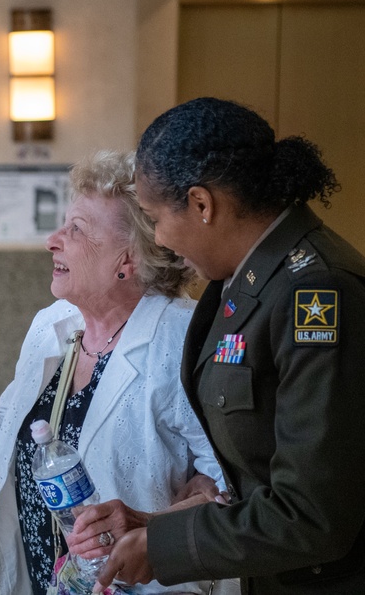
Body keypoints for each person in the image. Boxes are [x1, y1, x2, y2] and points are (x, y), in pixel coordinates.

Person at [0, 150, 224, 594]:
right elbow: (10, 430)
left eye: (76, 230)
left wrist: (151, 525)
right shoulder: (55, 323)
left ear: (129, 258)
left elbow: (231, 490)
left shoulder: (184, 339)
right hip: (47, 578)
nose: (52, 240)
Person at [76, 97, 365, 594]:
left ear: (202, 204)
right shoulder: (244, 276)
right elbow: (258, 468)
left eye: (155, 218)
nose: (160, 240)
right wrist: (153, 524)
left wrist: (163, 547)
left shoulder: (316, 292)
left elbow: (311, 515)